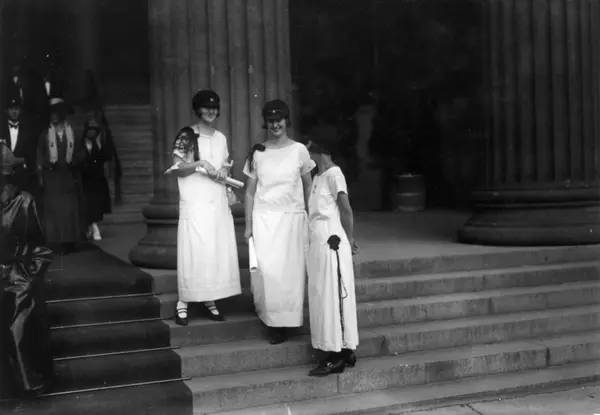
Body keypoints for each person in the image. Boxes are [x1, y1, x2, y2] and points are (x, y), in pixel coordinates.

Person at [243, 99, 315, 344]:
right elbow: (250, 192)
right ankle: (273, 322)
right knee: (269, 273)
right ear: (266, 123)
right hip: (264, 220)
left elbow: (308, 186)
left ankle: (288, 321)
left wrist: (312, 217)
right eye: (271, 121)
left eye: (279, 120)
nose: (275, 125)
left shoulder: (299, 151)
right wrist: (248, 226)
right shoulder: (258, 153)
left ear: (287, 121)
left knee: (290, 275)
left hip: (292, 219)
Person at [171, 89, 241, 326]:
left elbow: (224, 166)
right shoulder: (187, 136)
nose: (211, 111)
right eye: (206, 107)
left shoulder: (220, 138)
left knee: (213, 251)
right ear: (197, 109)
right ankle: (183, 300)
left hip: (216, 201)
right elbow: (177, 168)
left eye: (214, 107)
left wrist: (223, 170)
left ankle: (209, 297)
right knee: (194, 250)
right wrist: (200, 163)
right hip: (195, 201)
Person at [0, 141, 54, 399]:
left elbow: (41, 248)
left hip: (17, 278)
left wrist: (28, 276)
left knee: (16, 325)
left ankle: (27, 380)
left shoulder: (24, 202)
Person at [305, 134, 360, 376]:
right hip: (318, 243)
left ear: (320, 149)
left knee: (333, 296)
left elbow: (345, 210)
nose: (307, 152)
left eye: (309, 148)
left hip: (332, 243)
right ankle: (344, 350)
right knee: (323, 295)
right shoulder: (318, 176)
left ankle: (336, 355)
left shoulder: (334, 174)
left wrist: (350, 238)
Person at [37, 95, 85, 255]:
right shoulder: (45, 135)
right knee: (54, 210)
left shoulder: (72, 134)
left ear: (62, 114)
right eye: (52, 113)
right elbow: (40, 155)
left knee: (68, 210)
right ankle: (56, 242)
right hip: (52, 178)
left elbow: (80, 153)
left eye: (57, 112)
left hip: (67, 177)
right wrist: (46, 166)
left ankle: (70, 241)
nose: (54, 116)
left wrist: (75, 161)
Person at [2, 86, 39, 198]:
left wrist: (16, 161)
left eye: (16, 109)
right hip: (2, 179)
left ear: (20, 111)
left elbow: (31, 157)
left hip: (21, 179)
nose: (14, 111)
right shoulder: (1, 129)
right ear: (7, 111)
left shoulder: (27, 131)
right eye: (11, 109)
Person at [80, 118, 112, 240]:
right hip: (86, 179)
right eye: (89, 129)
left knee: (96, 206)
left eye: (94, 130)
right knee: (88, 206)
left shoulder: (98, 144)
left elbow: (105, 157)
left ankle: (93, 228)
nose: (91, 132)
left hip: (97, 179)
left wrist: (100, 144)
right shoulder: (81, 143)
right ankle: (93, 228)